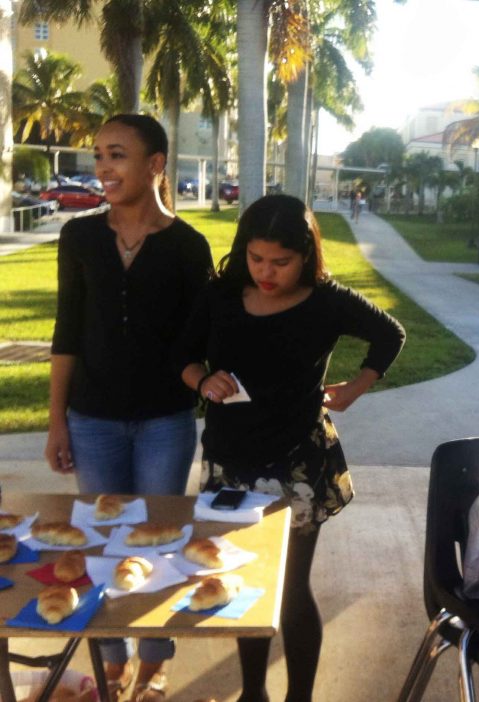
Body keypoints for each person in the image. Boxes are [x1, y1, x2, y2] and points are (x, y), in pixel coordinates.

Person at [177, 194, 405, 702]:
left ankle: (298, 697)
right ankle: (253, 692)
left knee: (292, 588)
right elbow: (183, 354)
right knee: (241, 581)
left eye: (281, 262)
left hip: (297, 463)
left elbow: (389, 334)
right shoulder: (220, 295)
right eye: (256, 259)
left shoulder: (326, 301)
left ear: (307, 255)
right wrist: (202, 380)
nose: (266, 272)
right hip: (229, 462)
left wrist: (356, 387)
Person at [45, 113, 213, 700]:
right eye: (99, 156)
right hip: (92, 423)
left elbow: (201, 341)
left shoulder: (190, 247)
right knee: (101, 541)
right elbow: (67, 331)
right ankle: (109, 658)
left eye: (117, 155)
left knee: (158, 540)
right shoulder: (80, 237)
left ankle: (155, 655)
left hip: (165, 422)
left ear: (155, 164)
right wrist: (56, 420)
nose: (103, 168)